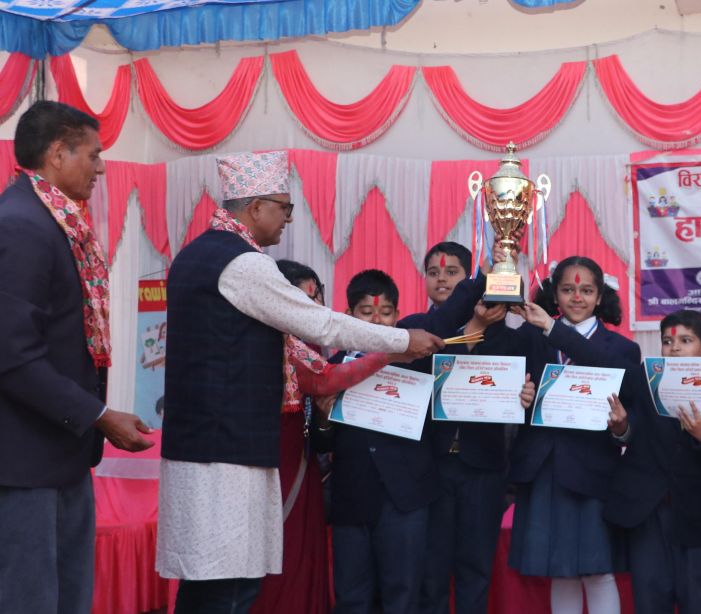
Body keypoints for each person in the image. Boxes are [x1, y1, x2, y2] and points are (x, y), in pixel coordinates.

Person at [156, 151, 443, 614]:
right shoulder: (244, 264)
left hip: (199, 445)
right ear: (255, 208)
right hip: (228, 452)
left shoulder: (193, 255)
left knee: (205, 582)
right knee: (231, 587)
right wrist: (402, 339)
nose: (289, 218)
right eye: (284, 207)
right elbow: (322, 325)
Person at [0, 100, 154, 614]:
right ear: (57, 154)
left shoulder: (56, 221)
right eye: (93, 154)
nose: (102, 168)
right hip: (24, 461)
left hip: (61, 450)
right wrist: (99, 415)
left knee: (68, 597)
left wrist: (95, 418)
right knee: (31, 600)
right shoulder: (21, 225)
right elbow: (13, 355)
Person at [317, 266, 487, 614]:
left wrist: (488, 270)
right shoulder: (331, 369)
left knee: (404, 595)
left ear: (397, 315)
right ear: (348, 315)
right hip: (352, 498)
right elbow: (320, 445)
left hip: (407, 500)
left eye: (385, 312)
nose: (376, 321)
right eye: (366, 312)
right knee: (351, 598)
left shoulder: (416, 358)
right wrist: (322, 417)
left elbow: (448, 315)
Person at [250, 259, 400, 614]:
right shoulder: (268, 343)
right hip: (270, 464)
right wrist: (398, 346)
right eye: (302, 299)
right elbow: (328, 387)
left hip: (308, 468)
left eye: (316, 298)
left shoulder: (316, 349)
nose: (313, 307)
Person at [503, 256, 638, 614]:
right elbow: (503, 384)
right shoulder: (530, 337)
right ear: (554, 295)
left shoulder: (622, 348)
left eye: (587, 291)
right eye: (567, 290)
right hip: (543, 468)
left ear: (600, 297)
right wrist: (519, 397)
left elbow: (629, 408)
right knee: (559, 571)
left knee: (599, 571)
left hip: (594, 471)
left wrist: (621, 426)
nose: (577, 297)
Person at [603, 309, 701, 613]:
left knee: (694, 602)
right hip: (647, 514)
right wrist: (621, 427)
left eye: (686, 340)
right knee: (649, 602)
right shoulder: (646, 382)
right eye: (668, 342)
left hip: (694, 516)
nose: (675, 348)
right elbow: (630, 432)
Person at [417, 242, 513, 614]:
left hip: (482, 468)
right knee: (432, 569)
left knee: (476, 569)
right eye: (433, 272)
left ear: (471, 279)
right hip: (431, 465)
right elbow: (429, 366)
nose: (442, 279)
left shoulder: (505, 334)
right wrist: (473, 328)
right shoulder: (413, 329)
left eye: (452, 272)